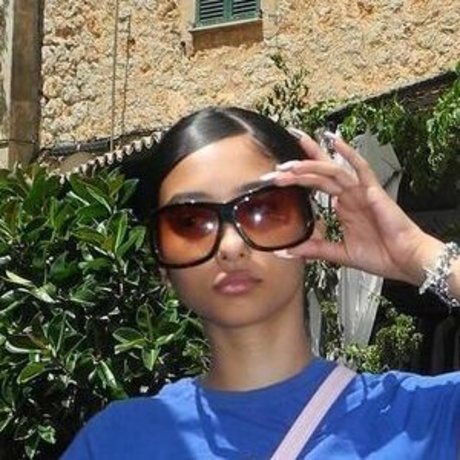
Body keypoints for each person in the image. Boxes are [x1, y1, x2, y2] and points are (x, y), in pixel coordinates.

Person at [62, 106, 460, 459]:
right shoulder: (118, 442)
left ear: (311, 228)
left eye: (263, 209)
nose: (231, 247)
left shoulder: (426, 419)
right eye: (190, 222)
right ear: (162, 262)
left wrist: (420, 255)